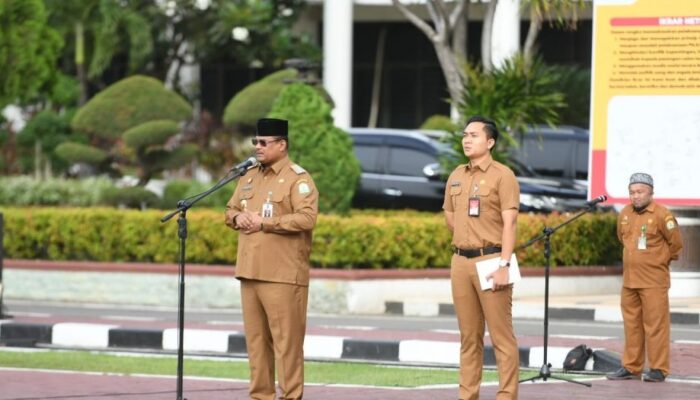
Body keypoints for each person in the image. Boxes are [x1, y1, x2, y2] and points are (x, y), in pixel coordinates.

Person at [225, 118, 318, 400]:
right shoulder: (248, 175)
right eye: (255, 142)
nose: (258, 147)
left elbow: (307, 218)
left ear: (282, 144)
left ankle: (290, 397)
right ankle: (261, 396)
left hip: (282, 275)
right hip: (250, 272)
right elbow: (230, 209)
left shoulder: (298, 179)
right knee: (256, 345)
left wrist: (265, 223)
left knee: (286, 345)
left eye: (264, 142)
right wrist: (237, 216)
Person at [443, 116, 520, 400]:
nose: (466, 139)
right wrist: (468, 236)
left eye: (474, 135)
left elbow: (510, 223)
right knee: (468, 337)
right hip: (460, 262)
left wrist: (503, 264)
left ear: (490, 142)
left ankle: (506, 395)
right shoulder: (456, 175)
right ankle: (468, 395)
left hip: (491, 261)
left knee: (501, 336)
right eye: (465, 135)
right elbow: (449, 214)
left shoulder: (503, 175)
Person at [607, 172, 683, 383]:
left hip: (653, 282)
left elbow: (676, 245)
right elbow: (622, 239)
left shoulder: (662, 215)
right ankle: (631, 367)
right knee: (632, 326)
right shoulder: (624, 214)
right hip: (630, 281)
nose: (635, 196)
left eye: (640, 192)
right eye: (632, 192)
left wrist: (657, 261)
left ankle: (658, 369)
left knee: (656, 327)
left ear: (650, 192)